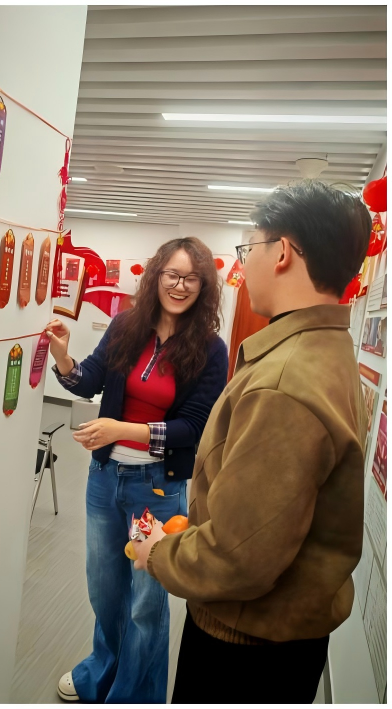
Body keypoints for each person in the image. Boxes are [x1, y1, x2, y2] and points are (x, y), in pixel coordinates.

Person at [133, 181, 370, 703]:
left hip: (244, 647)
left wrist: (160, 553)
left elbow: (238, 556)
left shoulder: (284, 381)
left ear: (281, 252)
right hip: (280, 636)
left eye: (250, 248)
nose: (245, 265)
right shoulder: (325, 349)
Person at [48, 237, 229, 703]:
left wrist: (120, 430)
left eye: (192, 278)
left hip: (157, 490)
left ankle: (131, 695)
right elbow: (89, 378)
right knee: (105, 590)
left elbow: (192, 427)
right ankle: (101, 672)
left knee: (146, 605)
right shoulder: (126, 325)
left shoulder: (210, 349)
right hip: (105, 480)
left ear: (204, 287)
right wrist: (63, 356)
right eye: (172, 274)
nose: (180, 285)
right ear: (156, 276)